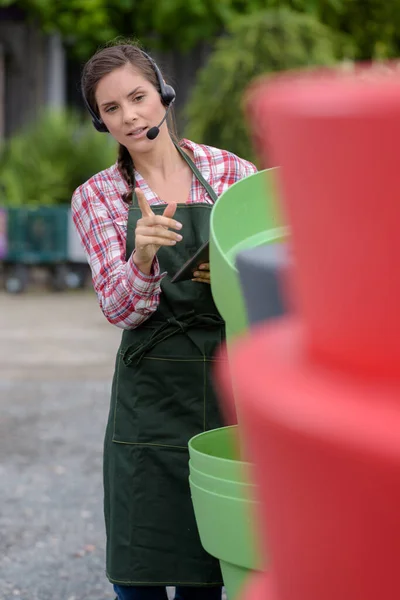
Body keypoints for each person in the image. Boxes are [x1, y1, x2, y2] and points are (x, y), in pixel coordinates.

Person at [71, 41, 257, 600]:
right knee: (139, 569)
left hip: (225, 387)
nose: (130, 117)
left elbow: (271, 287)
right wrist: (144, 259)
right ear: (100, 122)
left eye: (138, 97)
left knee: (208, 571)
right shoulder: (98, 197)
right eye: (111, 109)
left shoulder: (232, 173)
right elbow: (119, 309)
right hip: (147, 397)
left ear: (164, 95)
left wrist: (228, 279)